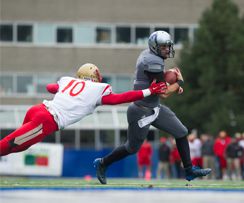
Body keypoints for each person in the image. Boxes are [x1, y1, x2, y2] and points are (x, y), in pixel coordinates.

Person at [93, 30, 211, 184]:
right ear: (154, 47)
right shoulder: (152, 61)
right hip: (141, 111)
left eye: (168, 46)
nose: (167, 50)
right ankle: (102, 163)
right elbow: (164, 93)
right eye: (163, 47)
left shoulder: (149, 55)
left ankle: (189, 170)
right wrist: (179, 82)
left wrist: (171, 84)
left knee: (181, 132)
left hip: (154, 107)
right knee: (131, 148)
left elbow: (159, 85)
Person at [0, 63, 167, 156]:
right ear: (96, 78)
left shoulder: (68, 80)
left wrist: (61, 90)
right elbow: (121, 98)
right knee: (10, 144)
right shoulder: (97, 89)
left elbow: (50, 87)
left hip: (37, 110)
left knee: (19, 146)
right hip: (46, 120)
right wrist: (150, 91)